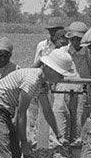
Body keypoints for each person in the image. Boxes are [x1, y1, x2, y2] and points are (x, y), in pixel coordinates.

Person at [27, 17, 66, 146]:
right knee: (33, 115)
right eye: (51, 31)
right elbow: (36, 65)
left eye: (55, 31)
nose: (52, 34)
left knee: (50, 113)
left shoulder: (63, 47)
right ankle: (32, 142)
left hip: (53, 85)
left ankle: (52, 143)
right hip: (40, 82)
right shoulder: (42, 46)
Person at [53, 20, 91, 148]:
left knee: (78, 130)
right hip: (61, 92)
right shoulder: (61, 52)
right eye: (73, 38)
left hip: (81, 93)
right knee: (60, 128)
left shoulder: (90, 54)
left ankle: (76, 156)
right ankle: (60, 154)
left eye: (79, 39)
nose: (76, 41)